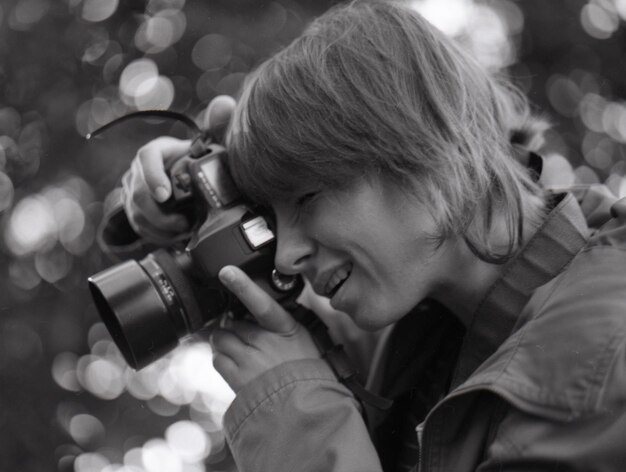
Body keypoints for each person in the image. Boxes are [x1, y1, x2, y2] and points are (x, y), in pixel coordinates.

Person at [103, 1, 626, 470]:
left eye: (307, 199)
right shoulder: (429, 339)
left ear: (424, 146)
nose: (285, 257)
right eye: (269, 216)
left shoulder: (600, 356)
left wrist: (300, 426)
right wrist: (189, 195)